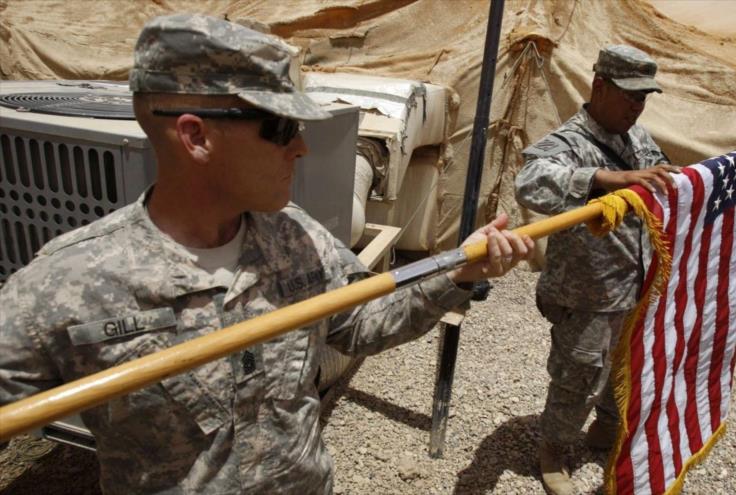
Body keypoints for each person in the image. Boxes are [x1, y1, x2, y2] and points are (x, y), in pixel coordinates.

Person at [0, 14, 534, 494]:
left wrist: (459, 274)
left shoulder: (293, 233)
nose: (301, 146)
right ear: (196, 137)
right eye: (279, 128)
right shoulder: (71, 283)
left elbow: (360, 324)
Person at [514, 45, 679, 495]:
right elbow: (529, 181)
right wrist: (601, 179)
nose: (636, 106)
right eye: (629, 95)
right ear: (600, 87)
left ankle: (606, 430)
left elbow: (662, 176)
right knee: (579, 374)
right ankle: (553, 453)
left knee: (625, 366)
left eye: (644, 97)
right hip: (586, 292)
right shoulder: (571, 142)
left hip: (634, 284)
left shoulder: (637, 139)